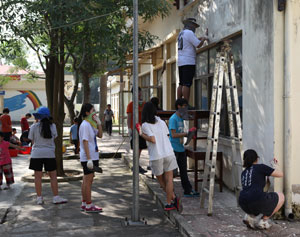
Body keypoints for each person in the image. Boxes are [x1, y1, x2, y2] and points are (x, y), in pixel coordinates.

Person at [138, 102, 180, 210]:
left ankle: (173, 198)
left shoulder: (145, 125)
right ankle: (169, 202)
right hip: (169, 152)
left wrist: (141, 134)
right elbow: (166, 135)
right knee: (169, 179)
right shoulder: (161, 122)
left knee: (161, 182)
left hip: (157, 155)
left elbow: (152, 139)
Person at [29, 106, 68, 205]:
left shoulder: (34, 126)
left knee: (37, 177)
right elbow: (54, 138)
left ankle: (39, 198)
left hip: (36, 154)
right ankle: (56, 197)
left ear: (39, 116)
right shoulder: (53, 126)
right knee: (53, 176)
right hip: (49, 153)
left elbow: (32, 140)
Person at [239, 149, 284, 229]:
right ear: (257, 159)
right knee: (281, 196)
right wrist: (275, 166)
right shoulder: (260, 167)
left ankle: (249, 217)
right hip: (256, 200)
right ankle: (263, 221)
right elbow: (280, 174)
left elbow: (254, 187)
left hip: (242, 202)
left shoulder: (244, 173)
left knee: (254, 198)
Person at [169, 98, 199, 197]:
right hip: (174, 149)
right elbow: (173, 135)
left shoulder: (181, 118)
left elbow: (180, 133)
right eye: (184, 106)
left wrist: (189, 134)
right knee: (172, 173)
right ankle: (170, 192)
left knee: (183, 171)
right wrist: (186, 133)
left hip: (181, 148)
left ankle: (188, 190)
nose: (186, 109)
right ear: (179, 107)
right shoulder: (173, 119)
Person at [177, 18, 209, 109]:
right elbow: (198, 45)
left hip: (181, 61)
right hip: (188, 61)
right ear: (190, 25)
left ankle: (179, 102)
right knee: (187, 84)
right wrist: (204, 39)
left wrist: (200, 38)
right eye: (194, 26)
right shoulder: (189, 33)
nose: (195, 28)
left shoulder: (181, 34)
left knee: (181, 83)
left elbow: (192, 41)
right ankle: (185, 104)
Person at [78, 103, 103, 213]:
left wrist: (99, 123)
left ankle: (84, 202)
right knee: (88, 181)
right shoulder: (85, 125)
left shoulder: (91, 124)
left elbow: (100, 135)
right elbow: (85, 141)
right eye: (93, 110)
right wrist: (89, 159)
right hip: (89, 157)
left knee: (86, 180)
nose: (94, 112)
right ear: (87, 112)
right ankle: (89, 205)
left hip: (92, 155)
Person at [126, 87, 147, 174]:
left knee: (140, 148)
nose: (139, 94)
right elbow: (129, 117)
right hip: (135, 129)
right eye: (137, 92)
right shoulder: (131, 104)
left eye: (140, 92)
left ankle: (136, 164)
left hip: (142, 129)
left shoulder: (144, 103)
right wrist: (129, 128)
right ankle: (136, 166)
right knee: (136, 148)